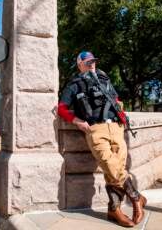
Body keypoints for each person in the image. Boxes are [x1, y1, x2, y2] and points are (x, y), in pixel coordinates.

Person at [58, 51, 146, 227]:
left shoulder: (105, 80)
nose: (92, 65)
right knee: (110, 165)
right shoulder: (75, 85)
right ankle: (136, 197)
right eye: (88, 62)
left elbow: (117, 100)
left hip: (115, 127)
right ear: (80, 64)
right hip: (96, 128)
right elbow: (61, 108)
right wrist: (77, 122)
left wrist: (122, 121)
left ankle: (114, 210)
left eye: (93, 62)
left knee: (115, 170)